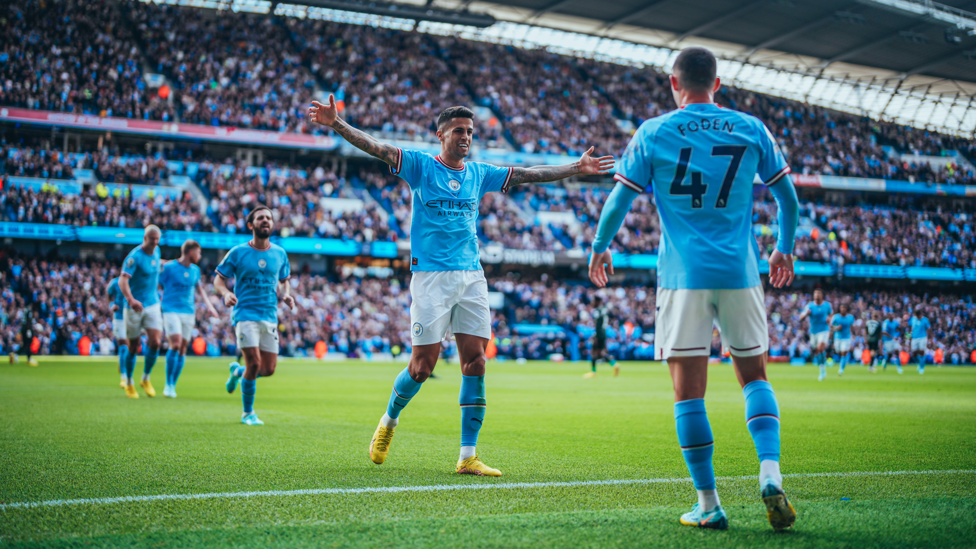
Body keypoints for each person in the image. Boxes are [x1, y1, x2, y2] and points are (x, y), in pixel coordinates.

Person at [307, 98, 614, 476]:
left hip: (471, 276)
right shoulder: (420, 166)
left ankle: (467, 455)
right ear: (441, 134)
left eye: (470, 131)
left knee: (477, 361)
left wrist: (575, 168)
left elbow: (528, 174)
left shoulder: (479, 173)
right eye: (459, 130)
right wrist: (338, 124)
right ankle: (388, 421)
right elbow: (377, 148)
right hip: (431, 278)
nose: (466, 136)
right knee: (422, 367)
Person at [587, 47, 799, 531]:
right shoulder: (751, 127)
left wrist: (601, 246)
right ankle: (770, 472)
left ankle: (709, 503)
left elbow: (620, 197)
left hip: (683, 279)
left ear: (672, 83)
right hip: (741, 273)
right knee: (755, 378)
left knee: (689, 396)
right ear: (717, 83)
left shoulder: (654, 131)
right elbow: (787, 195)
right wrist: (783, 248)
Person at [215, 206, 295, 425]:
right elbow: (218, 279)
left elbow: (284, 279)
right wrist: (225, 293)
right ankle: (247, 413)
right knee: (254, 363)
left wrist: (287, 295)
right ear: (251, 225)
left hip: (269, 316)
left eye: (269, 218)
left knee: (268, 369)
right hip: (245, 315)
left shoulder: (280, 253)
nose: (266, 220)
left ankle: (237, 373)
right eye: (261, 218)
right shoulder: (238, 252)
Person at [159, 240, 219, 398]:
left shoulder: (195, 270)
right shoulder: (170, 267)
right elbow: (156, 281)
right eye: (198, 253)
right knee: (176, 344)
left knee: (183, 348)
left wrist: (210, 307)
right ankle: (167, 383)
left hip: (188, 312)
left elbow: (200, 290)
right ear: (190, 252)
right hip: (171, 310)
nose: (200, 256)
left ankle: (173, 384)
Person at [118, 225, 164, 399]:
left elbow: (157, 264)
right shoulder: (134, 257)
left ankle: (145, 378)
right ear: (145, 237)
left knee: (156, 342)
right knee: (134, 346)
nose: (155, 242)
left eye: (157, 238)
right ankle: (129, 381)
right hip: (134, 306)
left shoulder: (157, 251)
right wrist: (131, 300)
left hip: (152, 304)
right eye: (152, 238)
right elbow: (122, 280)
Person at [798, 289, 832, 381]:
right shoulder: (810, 306)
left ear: (822, 295)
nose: (816, 295)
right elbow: (800, 317)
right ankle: (823, 363)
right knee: (816, 350)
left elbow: (831, 315)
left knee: (820, 348)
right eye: (815, 294)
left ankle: (822, 370)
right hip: (813, 331)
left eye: (818, 293)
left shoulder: (827, 305)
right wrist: (806, 314)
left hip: (824, 330)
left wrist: (829, 319)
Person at [584, 296, 618, 378]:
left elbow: (598, 324)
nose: (592, 303)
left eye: (593, 301)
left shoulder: (598, 311)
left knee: (594, 352)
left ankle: (594, 371)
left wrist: (595, 336)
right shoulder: (604, 309)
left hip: (599, 334)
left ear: (597, 301)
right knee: (599, 354)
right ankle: (614, 364)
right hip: (603, 333)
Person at [106, 277, 130, 388]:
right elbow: (108, 292)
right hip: (119, 317)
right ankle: (124, 378)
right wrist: (111, 305)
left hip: (131, 317)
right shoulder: (115, 282)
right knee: (124, 345)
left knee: (130, 348)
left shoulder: (136, 280)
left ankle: (121, 359)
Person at [829, 303, 855, 376]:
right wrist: (836, 328)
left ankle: (841, 369)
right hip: (837, 338)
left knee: (844, 352)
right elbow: (831, 327)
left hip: (846, 338)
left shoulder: (850, 317)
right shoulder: (835, 317)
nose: (843, 309)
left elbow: (852, 327)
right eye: (841, 308)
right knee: (839, 352)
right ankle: (843, 362)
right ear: (840, 309)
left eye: (844, 308)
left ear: (846, 309)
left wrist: (853, 335)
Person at [909, 308, 931, 374]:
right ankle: (920, 363)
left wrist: (931, 338)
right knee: (914, 353)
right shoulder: (913, 319)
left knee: (922, 352)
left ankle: (921, 367)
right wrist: (909, 336)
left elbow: (929, 329)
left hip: (922, 337)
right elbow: (910, 326)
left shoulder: (925, 320)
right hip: (914, 338)